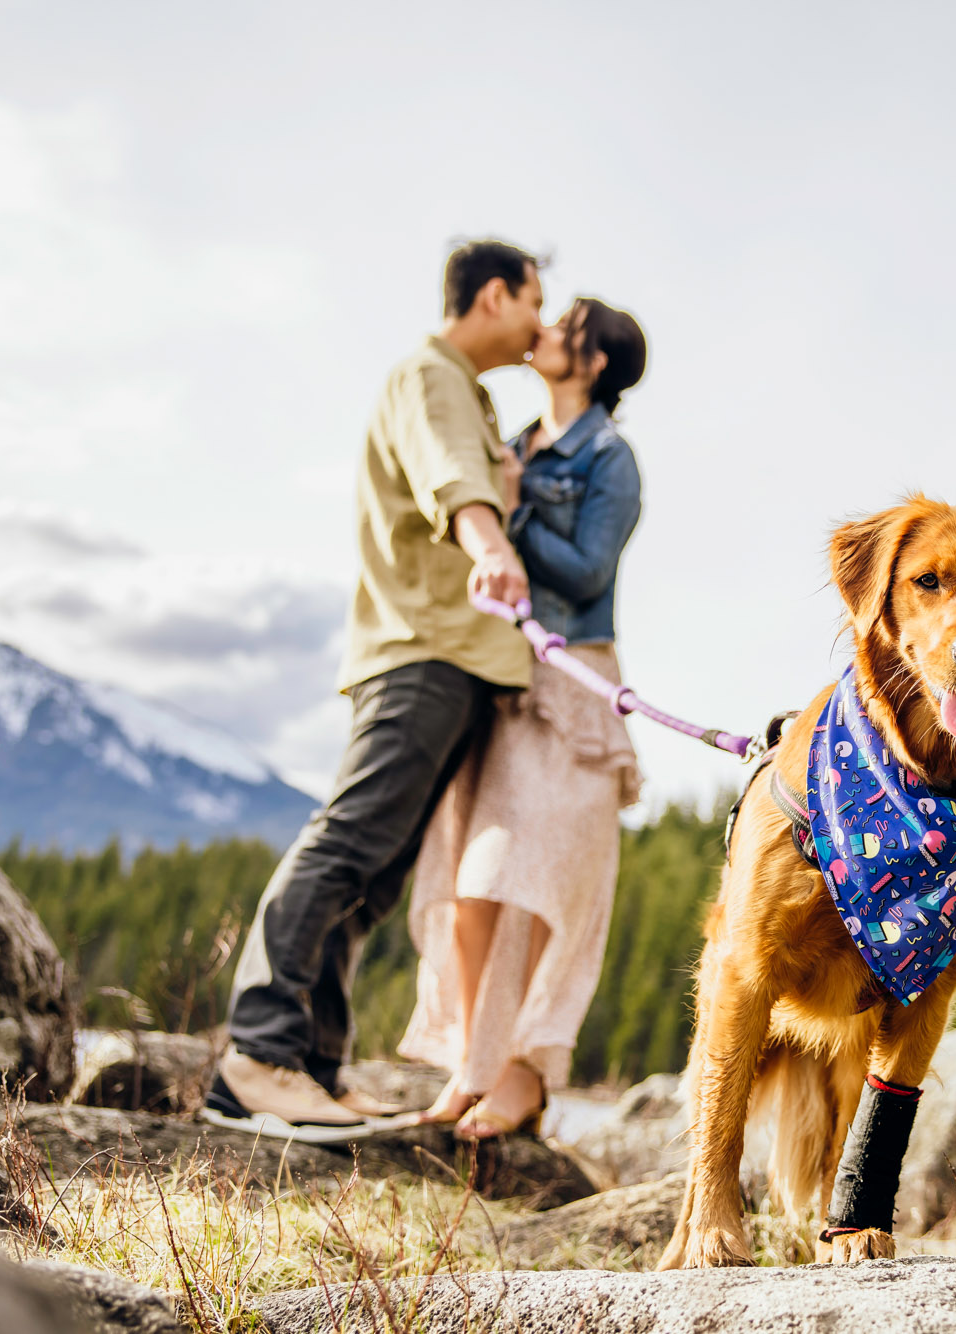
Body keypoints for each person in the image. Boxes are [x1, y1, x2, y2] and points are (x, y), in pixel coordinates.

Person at [204, 239, 544, 1142]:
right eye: (531, 302)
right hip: (421, 652)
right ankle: (259, 1057)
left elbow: (467, 472)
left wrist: (504, 494)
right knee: (350, 840)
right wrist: (492, 542)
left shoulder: (465, 392)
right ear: (493, 294)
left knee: (378, 869)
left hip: (452, 655)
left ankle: (310, 1065)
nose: (538, 325)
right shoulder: (429, 376)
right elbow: (447, 474)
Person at [397, 297, 648, 1139]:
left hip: (575, 681)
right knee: (474, 880)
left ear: (596, 361)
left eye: (564, 325)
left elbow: (586, 573)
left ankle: (523, 1075)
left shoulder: (612, 458)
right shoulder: (513, 443)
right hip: (501, 678)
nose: (543, 331)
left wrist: (515, 510)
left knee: (535, 882)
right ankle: (476, 1062)